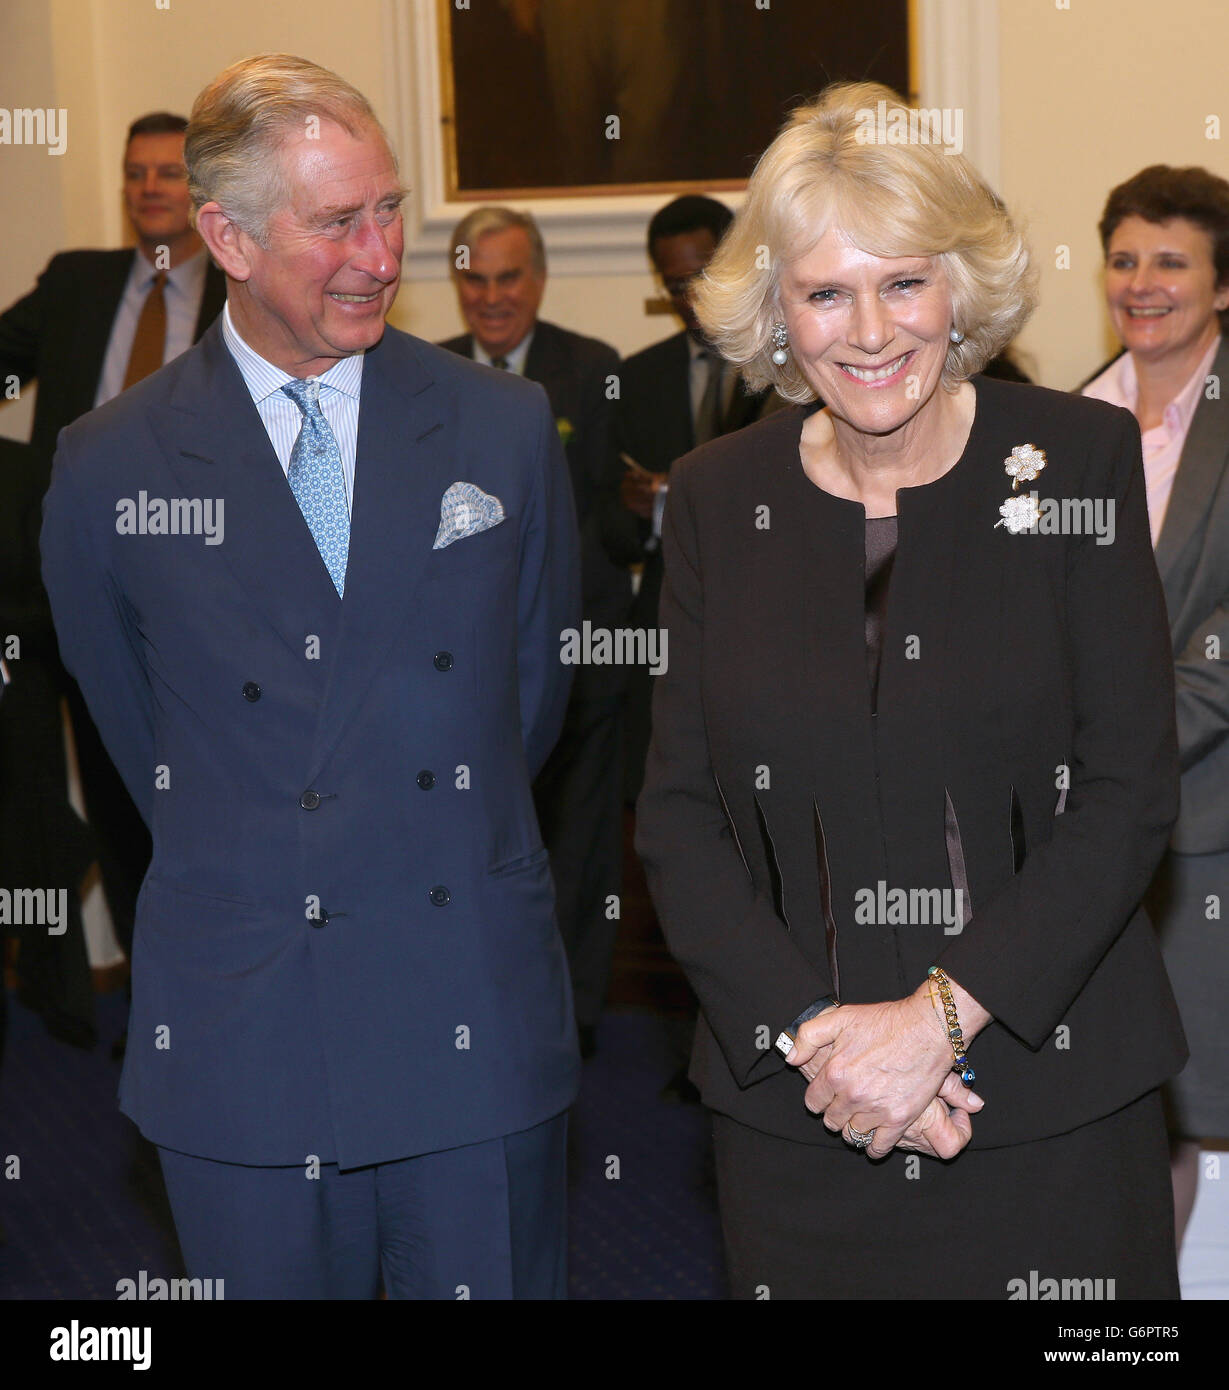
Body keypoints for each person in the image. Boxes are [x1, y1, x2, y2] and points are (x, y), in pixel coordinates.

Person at [40, 54, 580, 1300]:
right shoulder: (110, 467)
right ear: (223, 234)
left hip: (469, 1017)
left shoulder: (500, 427)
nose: (381, 255)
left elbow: (524, 705)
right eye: (336, 222)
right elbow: (141, 737)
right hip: (246, 1028)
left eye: (389, 209)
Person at [635, 81, 1187, 1300]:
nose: (869, 330)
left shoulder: (1075, 460)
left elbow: (1125, 791)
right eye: (825, 291)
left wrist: (935, 1022)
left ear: (961, 287)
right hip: (799, 1113)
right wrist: (822, 1042)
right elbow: (677, 816)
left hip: (1050, 1105)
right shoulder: (718, 500)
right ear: (775, 315)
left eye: (902, 282)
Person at [0, 111, 226, 1051]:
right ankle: (111, 1002)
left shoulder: (241, 290)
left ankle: (200, 997)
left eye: (168, 172)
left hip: (194, 588)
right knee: (75, 798)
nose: (148, 188)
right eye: (135, 172)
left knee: (179, 794)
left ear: (204, 186)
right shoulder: (78, 280)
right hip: (63, 579)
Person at [1082, 164, 1229, 1250]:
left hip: (1198, 831)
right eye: (1123, 257)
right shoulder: (1059, 421)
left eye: (1169, 260)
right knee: (1096, 1108)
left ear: (1220, 285)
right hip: (1062, 832)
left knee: (1188, 1101)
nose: (1140, 283)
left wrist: (1104, 760)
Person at [442, 207, 629, 1057]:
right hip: (459, 665)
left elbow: (600, 521)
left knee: (577, 845)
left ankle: (574, 1017)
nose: (490, 298)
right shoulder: (423, 372)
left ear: (538, 279)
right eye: (473, 279)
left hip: (580, 652)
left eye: (507, 277)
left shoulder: (591, 370)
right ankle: (490, 1004)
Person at [612, 195, 783, 805]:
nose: (691, 298)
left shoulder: (788, 363)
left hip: (770, 622)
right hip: (667, 633)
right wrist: (641, 511)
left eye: (704, 276)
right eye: (675, 284)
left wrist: (684, 495)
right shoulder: (633, 378)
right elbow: (610, 532)